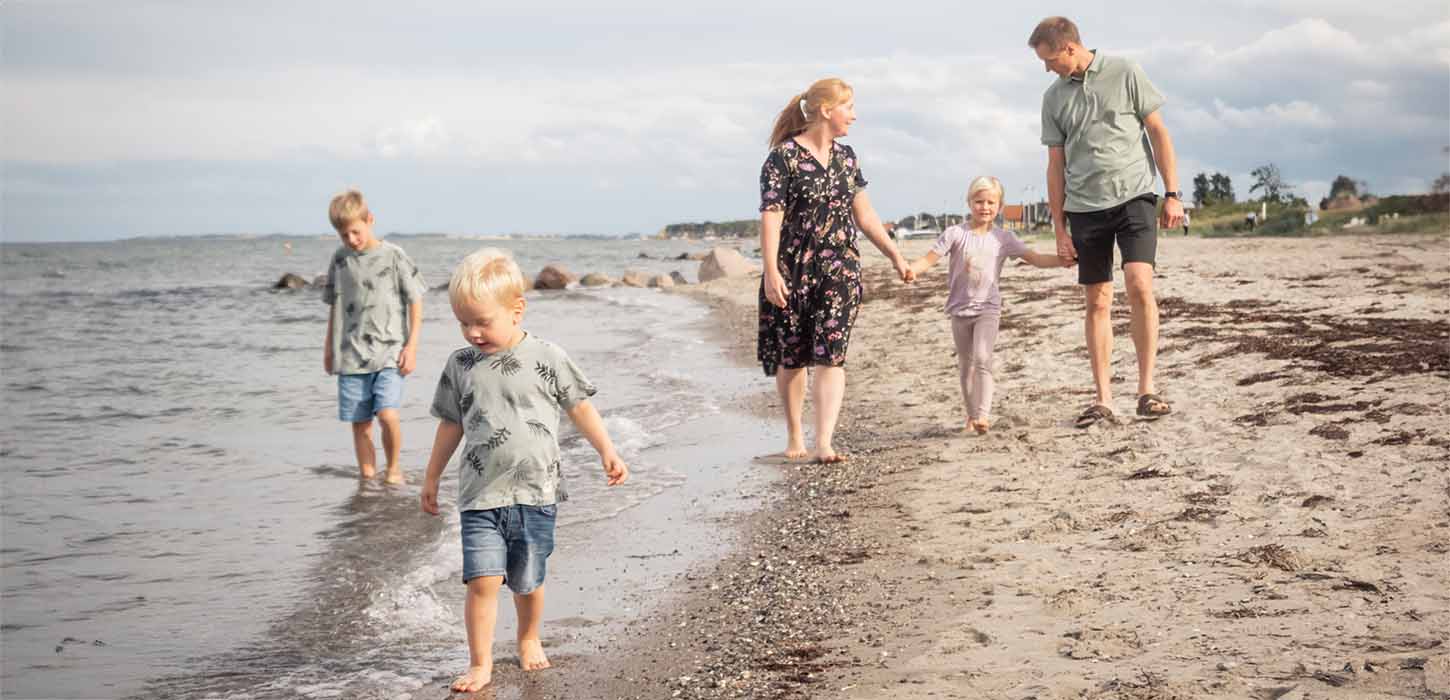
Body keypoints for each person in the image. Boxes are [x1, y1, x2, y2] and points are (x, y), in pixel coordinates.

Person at [420, 248, 629, 693]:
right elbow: (450, 424)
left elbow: (580, 407)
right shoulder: (460, 365)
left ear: (516, 311)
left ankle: (528, 636)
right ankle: (480, 663)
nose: (473, 333)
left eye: (482, 321)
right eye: (463, 323)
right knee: (482, 580)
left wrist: (607, 451)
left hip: (537, 492)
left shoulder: (547, 356)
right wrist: (432, 475)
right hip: (480, 496)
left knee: (528, 580)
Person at [1029, 16, 1182, 428]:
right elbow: (1055, 166)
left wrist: (1172, 194)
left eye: (1049, 60)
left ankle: (1147, 390)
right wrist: (1059, 228)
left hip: (1135, 197)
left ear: (1070, 48)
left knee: (1139, 284)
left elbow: (1158, 133)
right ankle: (1103, 399)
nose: (1047, 68)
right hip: (1084, 208)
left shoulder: (1125, 71)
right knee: (1097, 300)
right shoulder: (1053, 98)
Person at [758, 77, 914, 463]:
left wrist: (894, 255)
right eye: (849, 107)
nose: (854, 116)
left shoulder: (847, 158)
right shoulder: (783, 158)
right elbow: (771, 217)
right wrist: (770, 271)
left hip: (840, 268)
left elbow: (865, 215)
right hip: (793, 268)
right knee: (793, 355)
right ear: (827, 110)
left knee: (832, 352)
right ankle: (795, 435)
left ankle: (824, 441)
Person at [907, 176, 1069, 434]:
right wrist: (912, 270)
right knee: (966, 364)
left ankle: (983, 415)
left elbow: (1035, 258)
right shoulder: (955, 234)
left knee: (983, 358)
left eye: (991, 202)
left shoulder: (1003, 238)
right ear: (969, 202)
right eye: (979, 201)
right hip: (959, 310)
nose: (984, 207)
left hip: (988, 309)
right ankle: (971, 416)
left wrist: (1063, 261)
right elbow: (928, 259)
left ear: (1000, 206)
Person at [322, 189, 426, 482]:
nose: (351, 240)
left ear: (370, 220)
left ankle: (394, 469)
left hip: (390, 352)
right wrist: (329, 348)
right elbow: (335, 306)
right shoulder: (340, 260)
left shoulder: (394, 256)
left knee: (387, 414)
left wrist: (412, 346)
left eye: (355, 231)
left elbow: (416, 300)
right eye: (344, 235)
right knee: (360, 424)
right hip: (351, 356)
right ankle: (367, 478)